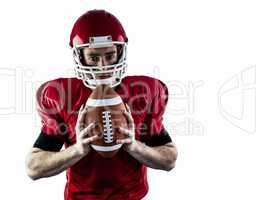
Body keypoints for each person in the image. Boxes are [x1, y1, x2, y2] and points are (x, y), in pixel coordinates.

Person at [26, 9, 178, 200]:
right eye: (94, 57)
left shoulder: (144, 92)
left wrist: (134, 146)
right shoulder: (62, 95)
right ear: (79, 56)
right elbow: (33, 167)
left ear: (120, 52)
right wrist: (77, 150)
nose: (103, 67)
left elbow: (169, 159)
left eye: (109, 55)